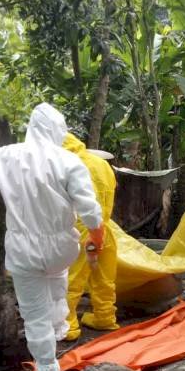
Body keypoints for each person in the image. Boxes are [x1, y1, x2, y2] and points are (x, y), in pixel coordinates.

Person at [0, 104, 103, 371]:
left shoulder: (7, 155)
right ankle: (56, 328)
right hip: (62, 248)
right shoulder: (68, 161)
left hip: (24, 250)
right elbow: (91, 212)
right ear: (57, 130)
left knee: (34, 316)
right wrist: (96, 238)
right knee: (54, 288)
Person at [62, 133, 118, 341]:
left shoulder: (67, 165)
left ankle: (68, 327)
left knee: (72, 279)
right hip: (105, 228)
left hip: (82, 229)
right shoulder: (101, 164)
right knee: (103, 278)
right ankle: (105, 318)